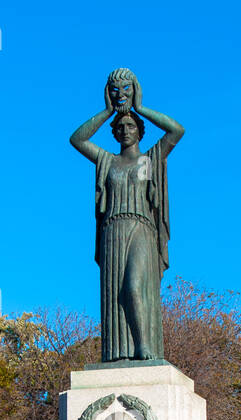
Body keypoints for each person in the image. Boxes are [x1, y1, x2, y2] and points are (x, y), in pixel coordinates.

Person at [70, 68, 184, 362]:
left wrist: (140, 107)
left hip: (142, 229)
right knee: (115, 296)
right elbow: (77, 139)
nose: (125, 130)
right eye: (120, 127)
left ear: (140, 130)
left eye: (131, 126)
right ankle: (120, 353)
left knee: (134, 287)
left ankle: (145, 346)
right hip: (112, 231)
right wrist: (109, 110)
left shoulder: (150, 160)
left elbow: (176, 131)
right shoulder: (107, 161)